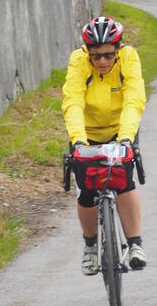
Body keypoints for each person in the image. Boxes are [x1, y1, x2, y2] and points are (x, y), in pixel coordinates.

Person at [62, 15, 148, 276]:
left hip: (120, 130)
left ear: (118, 50)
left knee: (124, 182)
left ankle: (135, 245)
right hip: (86, 134)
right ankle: (90, 246)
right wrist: (78, 140)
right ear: (87, 52)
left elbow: (134, 99)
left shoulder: (129, 59)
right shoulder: (78, 62)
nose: (102, 61)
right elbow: (73, 102)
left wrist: (125, 139)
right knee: (87, 192)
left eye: (109, 55)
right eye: (96, 55)